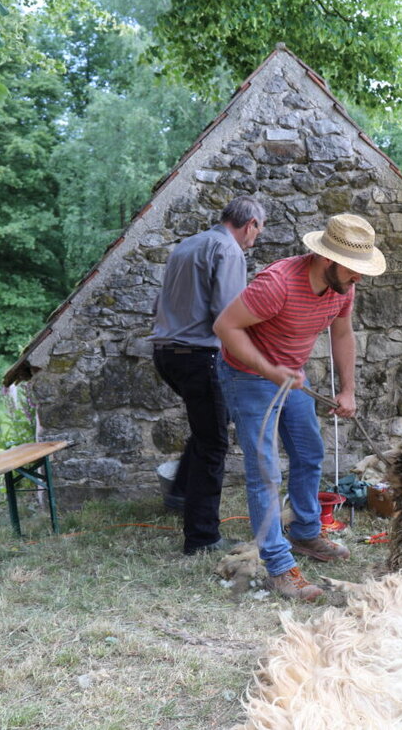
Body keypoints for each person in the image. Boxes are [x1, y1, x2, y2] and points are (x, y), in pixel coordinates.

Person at [213, 213, 385, 601]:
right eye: (354, 270)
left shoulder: (344, 287)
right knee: (265, 473)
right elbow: (225, 327)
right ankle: (277, 566)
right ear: (328, 260)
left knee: (309, 454)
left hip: (288, 376)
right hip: (248, 375)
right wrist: (268, 369)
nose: (359, 278)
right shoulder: (277, 285)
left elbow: (342, 333)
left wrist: (348, 390)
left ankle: (306, 534)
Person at [151, 196, 266, 556]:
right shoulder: (228, 251)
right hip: (200, 355)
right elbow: (229, 314)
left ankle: (181, 493)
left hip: (166, 352)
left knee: (205, 431)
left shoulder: (188, 245)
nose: (255, 240)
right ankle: (202, 538)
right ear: (250, 225)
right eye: (257, 232)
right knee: (214, 441)